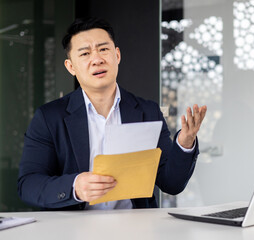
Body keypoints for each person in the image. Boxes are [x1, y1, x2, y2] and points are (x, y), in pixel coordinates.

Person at [17, 17, 207, 210]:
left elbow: (172, 183)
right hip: (74, 230)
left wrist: (185, 143)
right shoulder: (49, 118)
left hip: (135, 229)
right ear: (71, 67)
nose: (97, 59)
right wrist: (74, 187)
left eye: (103, 49)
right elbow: (29, 185)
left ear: (117, 55)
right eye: (85, 53)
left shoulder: (147, 111)